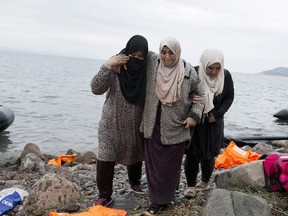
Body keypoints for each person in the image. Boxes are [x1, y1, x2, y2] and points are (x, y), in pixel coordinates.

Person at [140, 36, 205, 215]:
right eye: (163, 52)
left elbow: (201, 95)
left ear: (178, 53)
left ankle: (167, 196)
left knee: (170, 166)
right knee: (153, 166)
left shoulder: (187, 71)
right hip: (152, 124)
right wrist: (110, 63)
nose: (167, 57)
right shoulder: (153, 64)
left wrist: (194, 115)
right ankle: (156, 201)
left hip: (176, 126)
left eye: (171, 53)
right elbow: (134, 51)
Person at [90, 35, 149, 206]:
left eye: (140, 57)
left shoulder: (145, 73)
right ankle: (104, 195)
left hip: (135, 125)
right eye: (133, 55)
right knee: (106, 158)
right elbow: (96, 88)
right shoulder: (115, 68)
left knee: (136, 153)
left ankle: (135, 182)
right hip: (110, 125)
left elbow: (156, 56)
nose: (136, 60)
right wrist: (107, 65)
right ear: (126, 53)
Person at [184, 48, 234, 198]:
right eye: (210, 68)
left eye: (217, 68)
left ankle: (204, 182)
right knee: (192, 154)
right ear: (204, 64)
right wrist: (192, 98)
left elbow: (229, 98)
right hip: (196, 120)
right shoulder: (194, 71)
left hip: (214, 122)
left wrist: (217, 114)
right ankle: (191, 186)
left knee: (209, 154)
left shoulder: (226, 76)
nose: (213, 72)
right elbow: (185, 92)